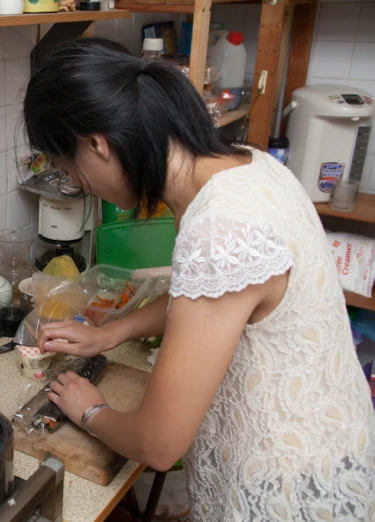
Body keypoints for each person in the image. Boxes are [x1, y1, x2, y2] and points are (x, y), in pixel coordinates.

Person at [24, 38, 375, 520]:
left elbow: (158, 444)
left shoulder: (220, 225)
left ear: (97, 145)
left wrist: (91, 411)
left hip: (289, 489)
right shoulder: (249, 165)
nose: (80, 185)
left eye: (69, 169)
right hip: (333, 441)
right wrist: (111, 332)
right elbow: (205, 298)